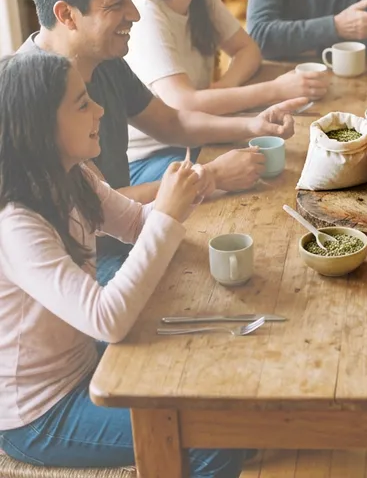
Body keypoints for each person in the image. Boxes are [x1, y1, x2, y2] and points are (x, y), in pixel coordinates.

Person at [0, 51, 249, 475]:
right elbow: (106, 319)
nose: (99, 110)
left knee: (210, 369)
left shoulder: (72, 174)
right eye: (82, 104)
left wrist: (182, 193)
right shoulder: (16, 225)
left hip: (82, 361)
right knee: (214, 438)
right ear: (40, 128)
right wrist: (167, 214)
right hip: (38, 415)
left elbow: (135, 222)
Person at [23, 0, 306, 204]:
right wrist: (210, 177)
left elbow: (171, 123)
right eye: (117, 4)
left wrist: (252, 125)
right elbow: (90, 212)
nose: (134, 15)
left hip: (135, 222)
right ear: (66, 15)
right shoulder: (26, 96)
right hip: (91, 251)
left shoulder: (104, 58)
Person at [125, 0, 329, 184]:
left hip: (194, 134)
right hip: (149, 160)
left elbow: (247, 50)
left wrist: (221, 89)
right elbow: (183, 102)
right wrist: (274, 89)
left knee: (286, 164)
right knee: (265, 177)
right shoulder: (146, 13)